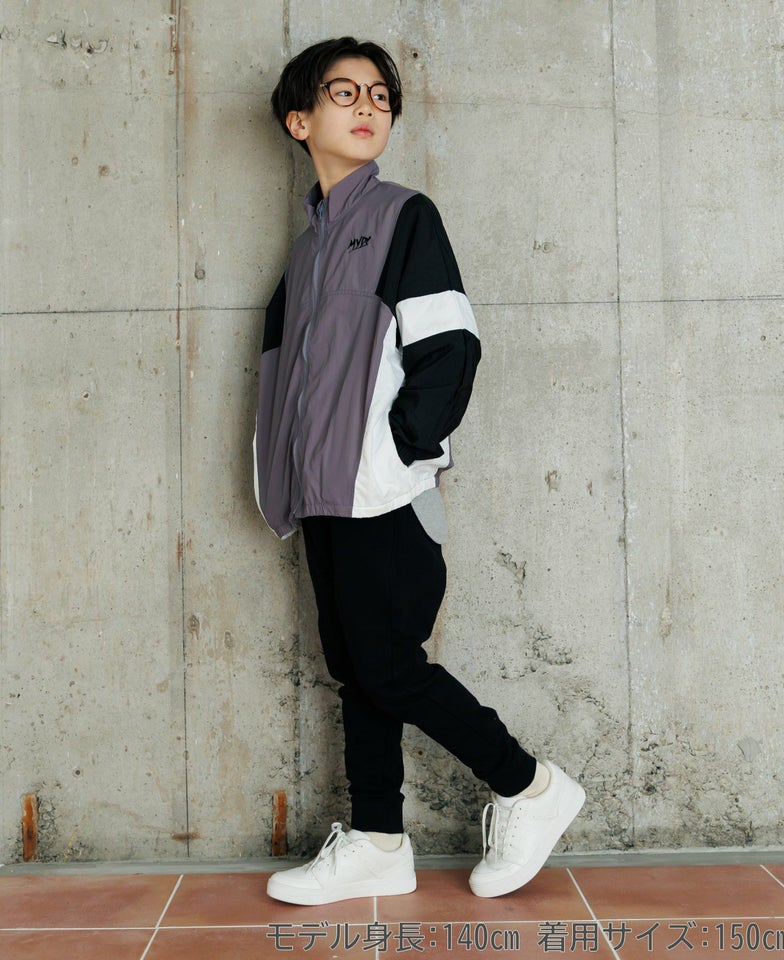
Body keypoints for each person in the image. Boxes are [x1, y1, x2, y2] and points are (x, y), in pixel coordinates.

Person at [254, 36, 585, 906]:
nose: (368, 106)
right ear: (299, 120)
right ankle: (376, 841)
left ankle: (530, 787)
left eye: (380, 95)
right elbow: (285, 382)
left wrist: (401, 452)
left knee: (390, 666)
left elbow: (449, 348)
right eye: (344, 93)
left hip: (384, 494)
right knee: (356, 667)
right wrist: (287, 482)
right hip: (323, 498)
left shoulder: (404, 217)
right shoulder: (306, 255)